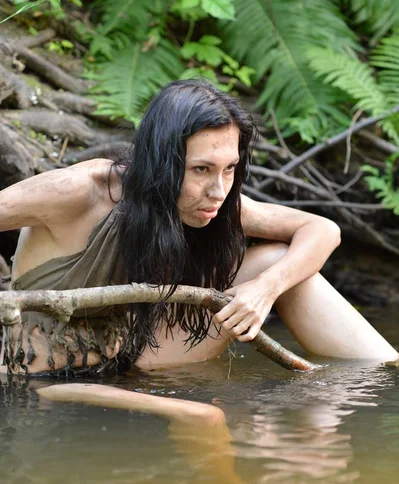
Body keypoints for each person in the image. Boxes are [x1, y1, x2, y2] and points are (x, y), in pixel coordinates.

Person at [0, 78, 398, 379]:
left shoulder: (215, 200)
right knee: (204, 418)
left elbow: (322, 229)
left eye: (229, 169)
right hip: (45, 378)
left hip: (138, 354)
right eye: (201, 169)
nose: (218, 190)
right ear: (162, 162)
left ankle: (383, 382)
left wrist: (265, 289)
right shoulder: (76, 191)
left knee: (278, 261)